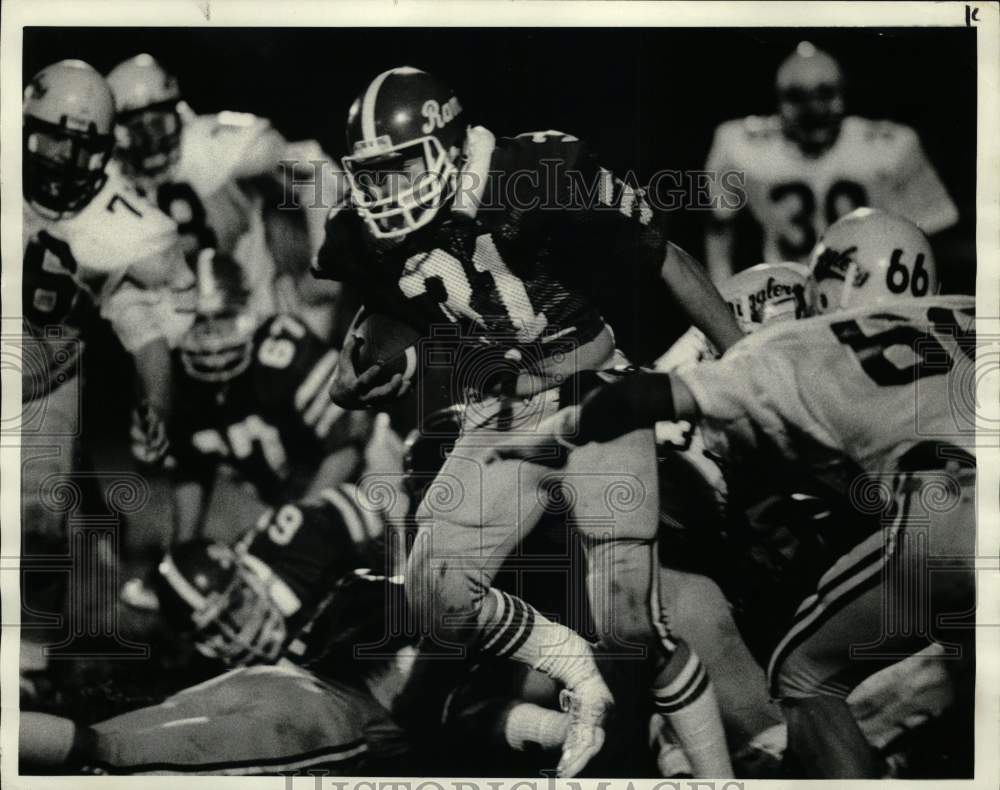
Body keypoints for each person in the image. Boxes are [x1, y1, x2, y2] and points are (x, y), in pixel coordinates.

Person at [313, 65, 745, 778]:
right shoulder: (363, 231)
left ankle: (718, 776)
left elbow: (660, 255)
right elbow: (388, 299)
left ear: (451, 147)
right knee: (436, 596)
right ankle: (574, 672)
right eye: (373, 176)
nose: (385, 194)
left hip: (597, 391)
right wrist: (363, 359)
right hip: (504, 412)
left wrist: (741, 364)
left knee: (632, 622)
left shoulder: (534, 173)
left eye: (401, 170)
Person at [499, 208, 975, 777]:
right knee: (773, 698)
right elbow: (693, 432)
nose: (871, 328)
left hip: (766, 519)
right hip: (679, 506)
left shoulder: (840, 332)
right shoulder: (773, 315)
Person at [21, 60, 195, 639]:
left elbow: (143, 327)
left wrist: (155, 404)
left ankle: (29, 661)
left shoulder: (126, 228)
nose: (61, 163)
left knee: (37, 524)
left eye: (81, 151)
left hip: (43, 381)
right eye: (48, 141)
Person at [105, 53, 343, 339]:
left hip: (257, 317)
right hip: (173, 333)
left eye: (159, 124)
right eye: (136, 130)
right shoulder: (112, 177)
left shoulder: (209, 148)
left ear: (178, 114)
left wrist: (320, 272)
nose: (151, 142)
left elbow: (316, 170)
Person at [704, 41, 958, 281]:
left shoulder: (893, 145)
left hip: (874, 287)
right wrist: (723, 295)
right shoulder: (738, 145)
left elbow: (930, 230)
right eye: (797, 96)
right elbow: (718, 229)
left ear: (843, 93)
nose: (813, 109)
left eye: (824, 94)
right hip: (784, 291)